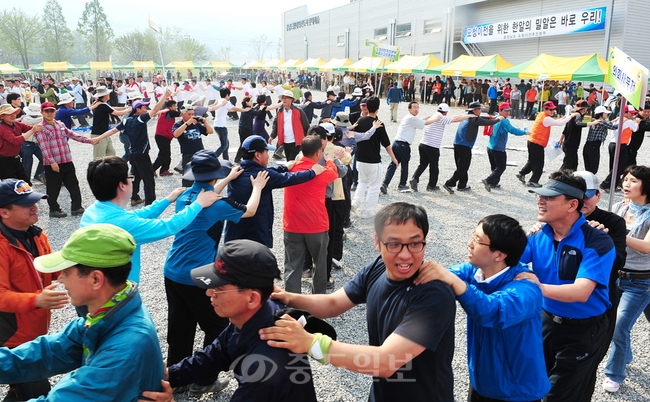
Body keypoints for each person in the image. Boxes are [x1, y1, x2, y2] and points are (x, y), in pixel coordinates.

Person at [260, 202, 456, 401]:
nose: (405, 255)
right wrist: (287, 297)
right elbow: (333, 304)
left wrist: (310, 343)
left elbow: (386, 362)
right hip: (382, 394)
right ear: (377, 242)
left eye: (415, 244)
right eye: (394, 244)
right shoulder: (378, 268)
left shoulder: (434, 294)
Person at [0, 224, 165, 400]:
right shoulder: (109, 313)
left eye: (66, 271)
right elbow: (47, 352)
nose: (60, 278)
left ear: (96, 279)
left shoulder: (125, 349)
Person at [142, 239, 321, 402]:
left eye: (218, 288)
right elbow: (217, 353)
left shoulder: (268, 362)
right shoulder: (255, 314)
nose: (208, 293)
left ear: (252, 298)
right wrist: (170, 375)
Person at [163, 150, 269, 395]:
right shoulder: (219, 206)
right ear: (214, 176)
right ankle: (204, 379)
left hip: (171, 269)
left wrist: (227, 177)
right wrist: (258, 187)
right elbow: (250, 211)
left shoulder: (184, 196)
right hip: (198, 274)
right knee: (218, 326)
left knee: (180, 327)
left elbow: (209, 193)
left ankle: (176, 380)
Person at [421, 214, 550, 401]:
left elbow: (492, 311)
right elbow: (446, 276)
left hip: (516, 392)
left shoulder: (526, 289)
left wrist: (457, 284)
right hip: (482, 383)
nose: (470, 244)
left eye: (478, 240)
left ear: (499, 255)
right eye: (473, 236)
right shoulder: (475, 270)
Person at [522, 170, 615, 401]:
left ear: (572, 204)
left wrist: (533, 285)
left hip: (582, 331)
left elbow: (581, 292)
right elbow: (505, 262)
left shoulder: (597, 240)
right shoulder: (537, 234)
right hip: (544, 322)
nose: (540, 201)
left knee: (558, 396)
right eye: (539, 196)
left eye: (549, 197)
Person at [81, 156, 220, 283]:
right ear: (122, 185)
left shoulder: (93, 211)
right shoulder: (122, 224)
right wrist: (198, 204)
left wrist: (166, 200)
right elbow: (168, 226)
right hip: (116, 298)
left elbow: (136, 216)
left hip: (91, 289)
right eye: (130, 177)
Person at [0, 179, 66, 400]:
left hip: (30, 333)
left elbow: (53, 270)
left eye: (35, 201)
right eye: (26, 203)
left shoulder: (36, 234)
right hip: (10, 338)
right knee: (38, 393)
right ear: (4, 212)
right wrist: (38, 300)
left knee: (24, 391)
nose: (34, 206)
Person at [571, 171, 627, 402]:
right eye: (576, 194)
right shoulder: (559, 220)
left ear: (599, 195)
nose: (583, 200)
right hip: (558, 307)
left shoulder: (612, 222)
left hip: (599, 303)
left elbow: (619, 261)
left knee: (588, 363)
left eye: (589, 194)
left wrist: (598, 238)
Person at [225, 135, 322, 248]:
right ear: (257, 155)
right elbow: (289, 178)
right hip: (255, 236)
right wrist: (312, 172)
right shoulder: (262, 176)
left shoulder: (237, 172)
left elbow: (266, 171)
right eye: (266, 152)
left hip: (233, 235)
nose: (268, 156)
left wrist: (283, 167)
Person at [602, 165, 650, 394]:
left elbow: (646, 247)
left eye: (633, 180)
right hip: (615, 276)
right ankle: (625, 354)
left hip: (641, 282)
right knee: (612, 322)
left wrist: (617, 233)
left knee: (619, 326)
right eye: (625, 179)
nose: (626, 183)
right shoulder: (618, 207)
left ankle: (614, 373)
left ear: (646, 186)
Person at [93, 90, 172, 206]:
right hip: (142, 155)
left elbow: (113, 130)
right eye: (144, 108)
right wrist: (165, 96)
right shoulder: (140, 120)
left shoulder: (126, 121)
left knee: (136, 176)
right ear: (138, 110)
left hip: (133, 154)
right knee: (148, 178)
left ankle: (134, 197)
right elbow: (154, 110)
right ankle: (150, 203)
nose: (146, 110)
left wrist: (98, 138)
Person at [283, 135, 339, 294]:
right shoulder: (321, 172)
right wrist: (329, 160)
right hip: (316, 226)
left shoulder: (291, 169)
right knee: (319, 265)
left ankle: (292, 304)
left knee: (292, 267)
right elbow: (333, 172)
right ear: (318, 153)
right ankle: (318, 302)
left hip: (292, 225)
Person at [34, 102, 96, 218]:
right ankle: (54, 209)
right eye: (46, 111)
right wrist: (52, 162)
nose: (49, 113)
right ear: (41, 113)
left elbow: (73, 135)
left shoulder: (60, 124)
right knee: (53, 187)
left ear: (55, 111)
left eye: (51, 110)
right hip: (53, 163)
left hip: (67, 160)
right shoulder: (40, 128)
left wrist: (89, 140)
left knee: (73, 184)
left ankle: (77, 207)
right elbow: (44, 147)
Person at [351, 96, 398, 219]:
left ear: (366, 106)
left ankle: (355, 203)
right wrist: (393, 158)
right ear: (377, 109)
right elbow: (386, 144)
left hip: (360, 159)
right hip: (373, 160)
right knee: (374, 186)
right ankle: (366, 212)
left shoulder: (360, 121)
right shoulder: (378, 124)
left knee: (362, 182)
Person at [409, 103, 474, 192]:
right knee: (434, 167)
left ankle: (415, 178)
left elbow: (455, 116)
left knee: (423, 164)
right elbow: (456, 119)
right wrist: (469, 115)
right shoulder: (441, 117)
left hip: (423, 144)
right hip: (432, 146)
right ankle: (431, 185)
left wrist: (464, 115)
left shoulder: (435, 115)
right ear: (445, 112)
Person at [442, 101, 503, 194]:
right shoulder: (474, 119)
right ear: (475, 110)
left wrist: (491, 116)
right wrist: (499, 119)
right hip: (464, 146)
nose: (480, 111)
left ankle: (462, 185)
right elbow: (488, 122)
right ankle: (449, 183)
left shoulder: (467, 116)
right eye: (479, 109)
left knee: (462, 166)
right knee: (463, 167)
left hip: (457, 144)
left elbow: (482, 118)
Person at [516, 102, 576, 188]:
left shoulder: (542, 115)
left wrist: (564, 117)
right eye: (550, 109)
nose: (552, 111)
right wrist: (570, 116)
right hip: (537, 143)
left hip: (532, 141)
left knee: (532, 160)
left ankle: (521, 173)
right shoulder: (546, 118)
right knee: (539, 163)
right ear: (545, 109)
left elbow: (555, 122)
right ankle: (533, 181)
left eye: (553, 109)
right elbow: (559, 123)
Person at [381, 101, 434, 194]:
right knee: (404, 165)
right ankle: (402, 185)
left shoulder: (410, 118)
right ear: (409, 109)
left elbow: (420, 121)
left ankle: (385, 184)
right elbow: (426, 123)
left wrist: (428, 117)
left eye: (418, 107)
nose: (416, 109)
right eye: (414, 107)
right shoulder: (411, 118)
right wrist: (437, 118)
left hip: (397, 143)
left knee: (393, 164)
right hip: (403, 145)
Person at [482, 102, 529, 191]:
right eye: (506, 111)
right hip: (498, 148)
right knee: (501, 167)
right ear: (500, 110)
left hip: (490, 146)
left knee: (495, 167)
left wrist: (517, 130)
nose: (508, 113)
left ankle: (493, 183)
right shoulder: (504, 120)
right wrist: (525, 132)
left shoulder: (496, 117)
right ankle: (488, 180)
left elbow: (509, 129)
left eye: (509, 111)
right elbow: (513, 131)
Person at [600, 105, 642, 192]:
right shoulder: (629, 121)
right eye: (631, 113)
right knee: (619, 167)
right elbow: (635, 129)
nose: (633, 116)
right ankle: (605, 184)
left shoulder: (618, 119)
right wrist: (637, 122)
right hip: (620, 145)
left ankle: (613, 185)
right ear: (625, 113)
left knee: (613, 166)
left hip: (612, 144)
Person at [172, 104, 215, 187]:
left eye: (193, 114)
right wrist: (187, 123)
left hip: (200, 154)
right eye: (189, 114)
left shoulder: (197, 124)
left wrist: (205, 122)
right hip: (188, 155)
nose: (191, 116)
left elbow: (210, 131)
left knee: (202, 178)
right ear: (182, 114)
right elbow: (175, 134)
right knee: (188, 180)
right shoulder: (178, 125)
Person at [0, 104, 43, 184]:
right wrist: (32, 131)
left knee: (25, 184)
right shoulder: (2, 128)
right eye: (9, 114)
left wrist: (51, 124)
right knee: (12, 187)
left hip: (15, 159)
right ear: (2, 116)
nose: (13, 115)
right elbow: (15, 140)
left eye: (14, 113)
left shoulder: (17, 124)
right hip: (4, 161)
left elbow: (31, 128)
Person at [90, 86, 132, 160]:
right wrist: (129, 109)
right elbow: (118, 113)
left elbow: (112, 108)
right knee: (99, 158)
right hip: (99, 134)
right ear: (105, 95)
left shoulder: (101, 103)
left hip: (104, 133)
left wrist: (126, 108)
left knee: (111, 153)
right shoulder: (102, 104)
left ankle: (106, 170)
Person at [270, 90, 309, 161]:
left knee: (293, 160)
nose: (284, 100)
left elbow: (306, 126)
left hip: (297, 142)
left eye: (286, 98)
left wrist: (307, 140)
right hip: (285, 142)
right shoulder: (280, 111)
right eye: (283, 98)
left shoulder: (299, 111)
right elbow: (276, 124)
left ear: (291, 99)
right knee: (289, 160)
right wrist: (272, 136)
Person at [558, 99, 596, 171]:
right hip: (571, 144)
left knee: (573, 164)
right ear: (584, 109)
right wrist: (592, 123)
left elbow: (565, 130)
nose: (587, 110)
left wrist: (561, 139)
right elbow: (578, 124)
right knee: (568, 164)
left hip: (568, 143)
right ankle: (557, 178)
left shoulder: (572, 116)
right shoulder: (578, 115)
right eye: (586, 108)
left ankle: (569, 180)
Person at [582, 106, 618, 174]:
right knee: (593, 169)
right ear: (601, 114)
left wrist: (615, 120)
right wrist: (623, 121)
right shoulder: (601, 122)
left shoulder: (594, 121)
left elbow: (608, 124)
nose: (607, 114)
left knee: (589, 169)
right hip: (594, 147)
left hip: (588, 145)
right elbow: (614, 127)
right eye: (605, 113)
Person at [152, 100, 181, 176]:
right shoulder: (169, 112)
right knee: (164, 154)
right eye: (175, 106)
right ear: (170, 107)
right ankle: (152, 169)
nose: (176, 107)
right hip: (162, 136)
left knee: (164, 153)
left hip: (162, 136)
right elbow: (179, 114)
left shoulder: (165, 111)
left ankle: (163, 170)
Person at [20, 103, 46, 185]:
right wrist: (46, 117)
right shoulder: (26, 119)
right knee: (27, 164)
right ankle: (26, 182)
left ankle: (38, 176)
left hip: (37, 143)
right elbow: (33, 121)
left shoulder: (39, 118)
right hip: (27, 143)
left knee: (44, 159)